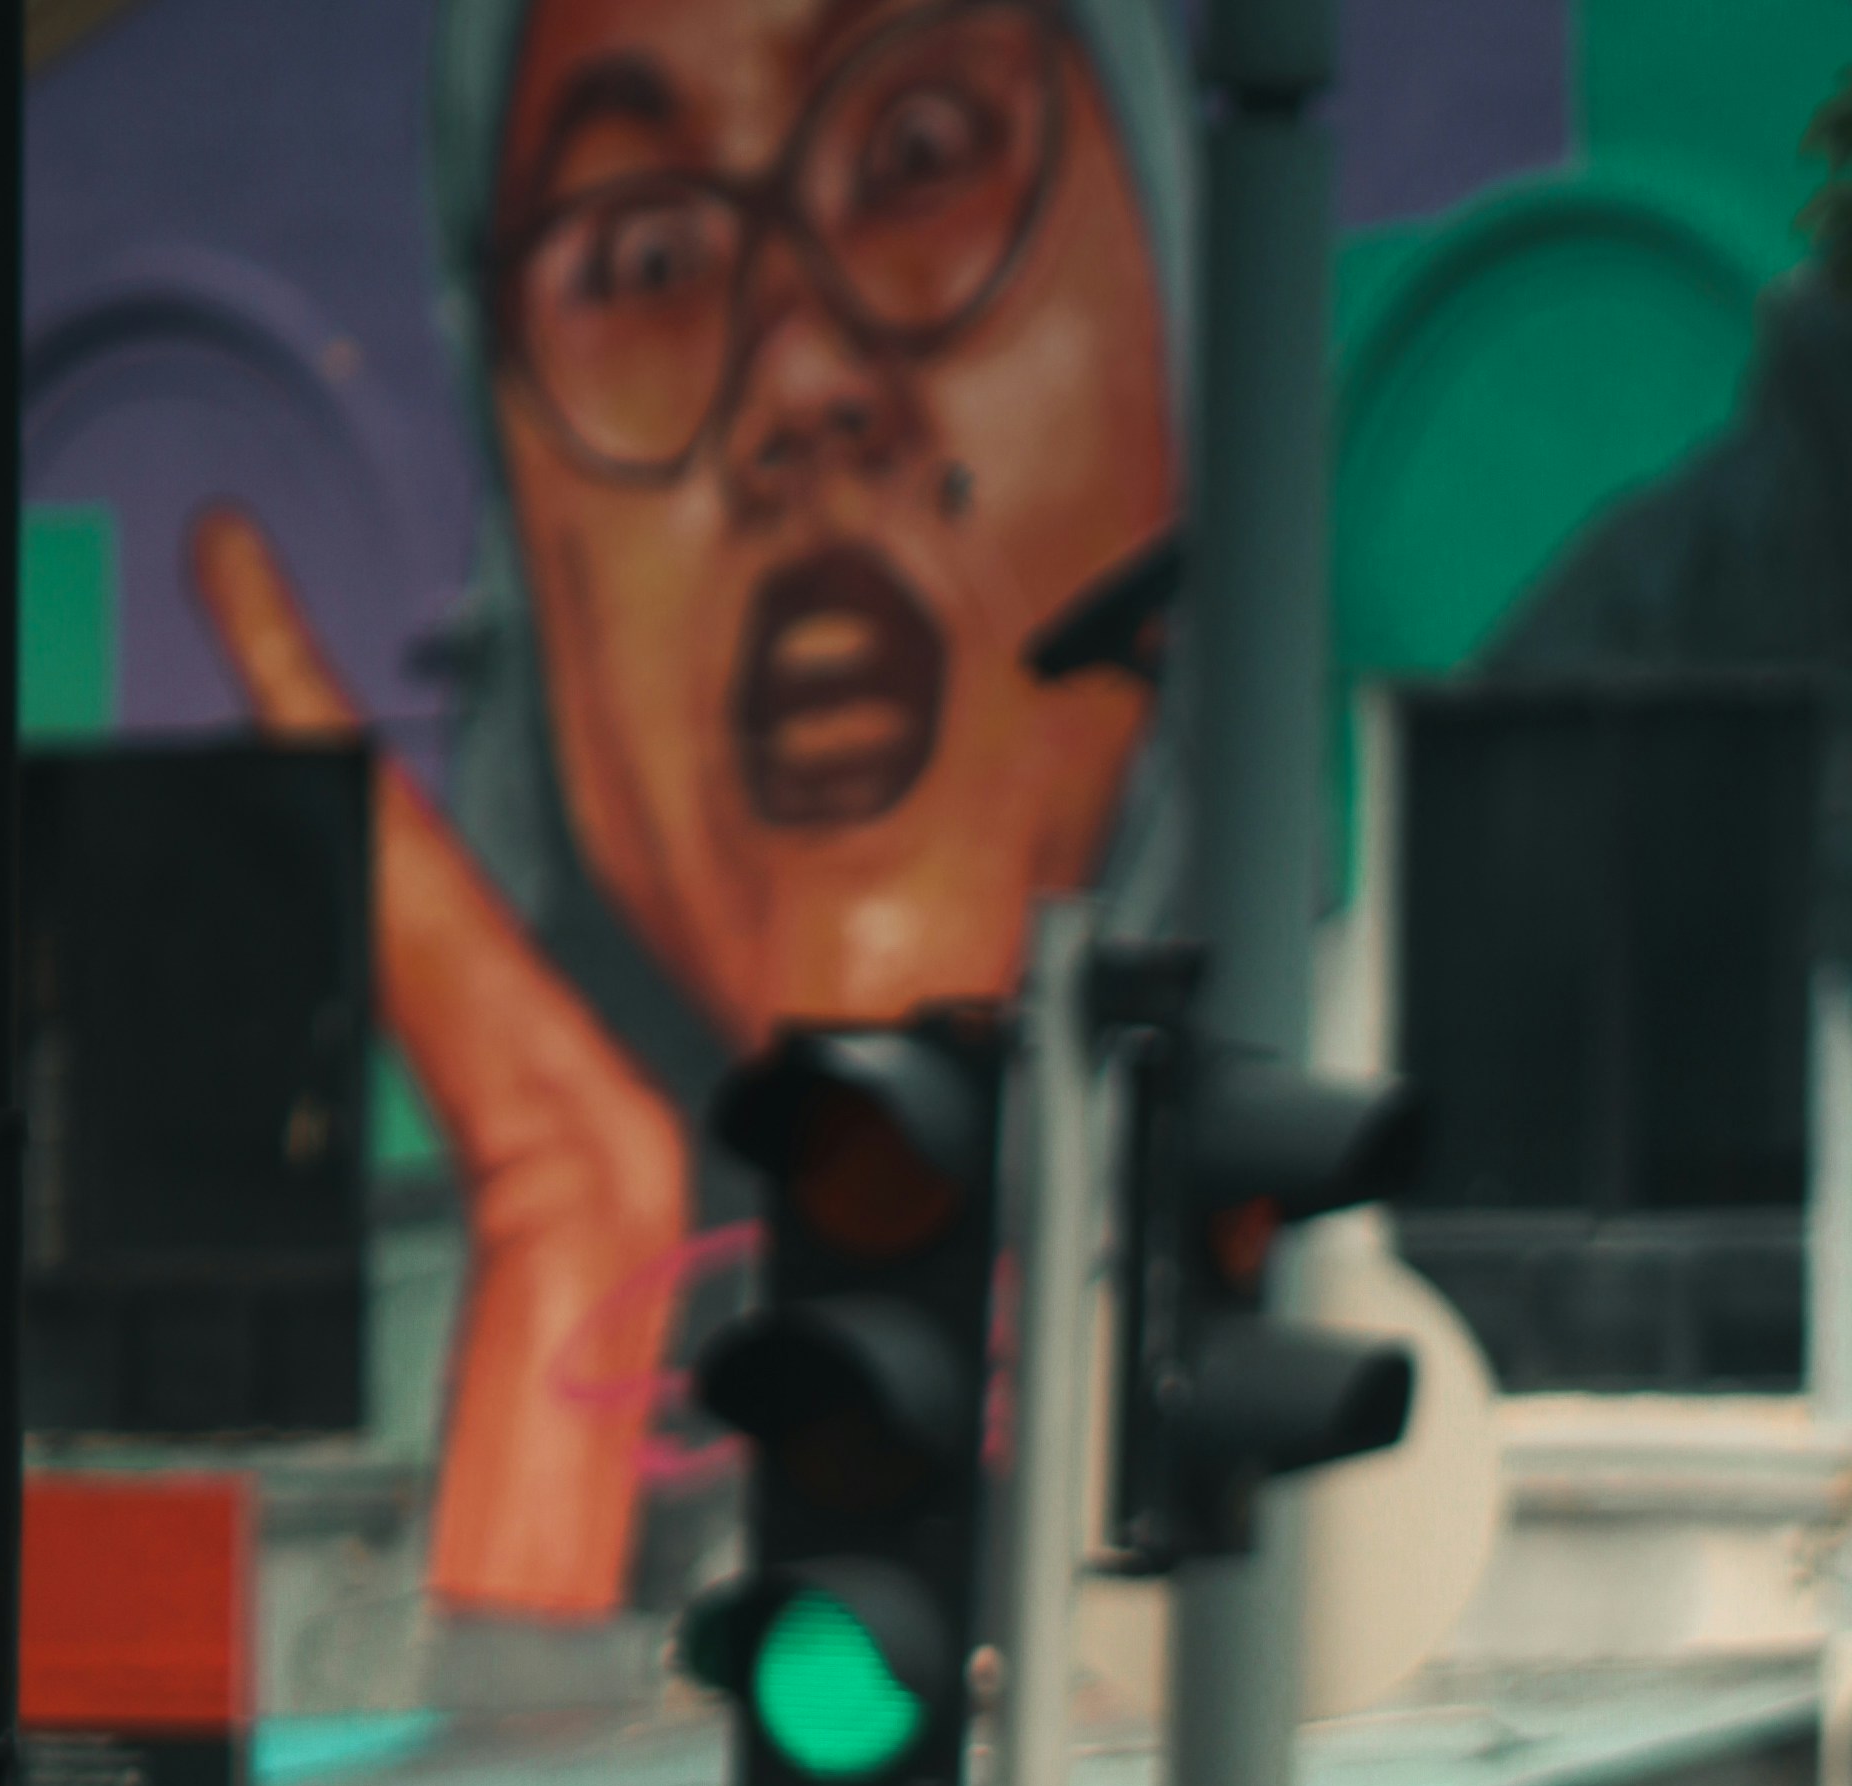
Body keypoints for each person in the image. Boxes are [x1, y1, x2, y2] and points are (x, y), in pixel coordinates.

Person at [192, 0, 1185, 1622]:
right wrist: (564, 1222)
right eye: (646, 261)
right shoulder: (341, 1391)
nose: (796, 381)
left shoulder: (1336, 1252)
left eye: (920, 156)